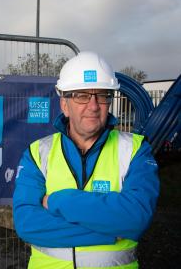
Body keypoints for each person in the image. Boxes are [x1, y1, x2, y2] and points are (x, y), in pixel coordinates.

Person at [13, 51, 159, 269]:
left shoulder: (135, 150)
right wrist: (109, 232)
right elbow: (27, 224)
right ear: (64, 104)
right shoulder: (38, 153)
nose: (93, 105)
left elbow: (135, 219)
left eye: (101, 95)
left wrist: (57, 201)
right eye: (82, 95)